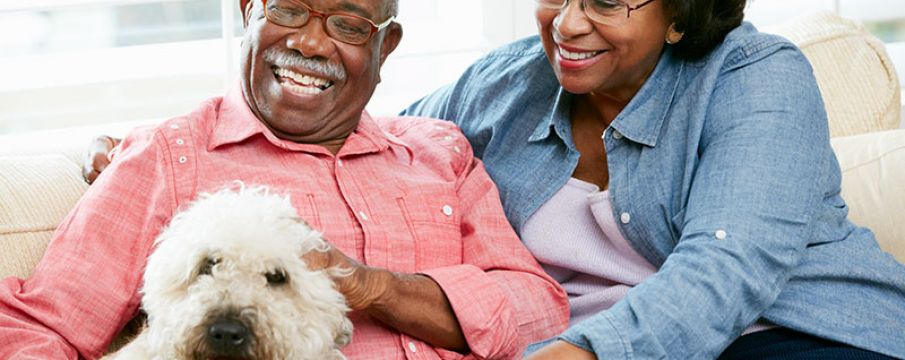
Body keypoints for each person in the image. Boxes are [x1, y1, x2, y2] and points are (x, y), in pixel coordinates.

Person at [84, 0, 905, 359]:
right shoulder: (511, 80)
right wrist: (149, 147)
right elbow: (375, 133)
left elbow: (727, 271)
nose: (569, 21)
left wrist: (570, 356)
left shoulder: (754, 76)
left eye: (609, 0)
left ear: (680, 14)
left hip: (783, 339)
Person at [0, 0, 570, 359]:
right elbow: (40, 327)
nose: (310, 43)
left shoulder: (439, 152)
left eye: (347, 23)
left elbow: (540, 310)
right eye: (289, 11)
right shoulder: (170, 156)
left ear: (384, 45)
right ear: (250, 10)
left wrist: (374, 287)